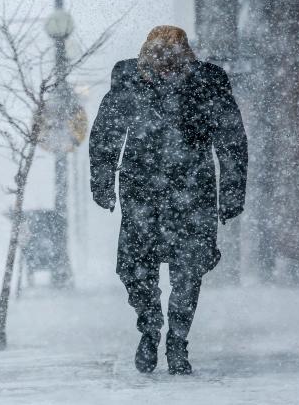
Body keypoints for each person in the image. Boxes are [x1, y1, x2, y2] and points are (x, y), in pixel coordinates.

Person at [89, 25, 248, 375]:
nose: (166, 70)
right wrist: (102, 182)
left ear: (185, 59)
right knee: (136, 267)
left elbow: (231, 139)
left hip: (193, 192)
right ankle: (149, 327)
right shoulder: (129, 81)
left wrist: (233, 190)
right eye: (160, 61)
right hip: (143, 190)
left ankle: (177, 341)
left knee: (188, 271)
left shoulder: (208, 83)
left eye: (173, 62)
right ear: (147, 58)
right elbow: (106, 133)